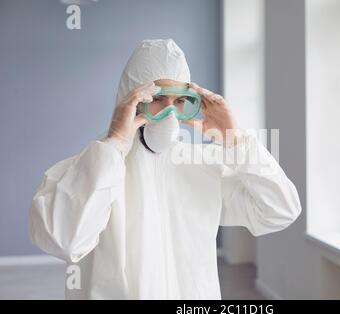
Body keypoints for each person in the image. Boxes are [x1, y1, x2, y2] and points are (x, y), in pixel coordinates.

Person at [29, 39, 301, 299]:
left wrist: (237, 142)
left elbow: (280, 210)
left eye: (180, 101)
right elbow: (64, 240)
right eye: (157, 99)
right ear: (130, 100)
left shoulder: (204, 166)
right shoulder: (90, 169)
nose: (170, 114)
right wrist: (113, 147)